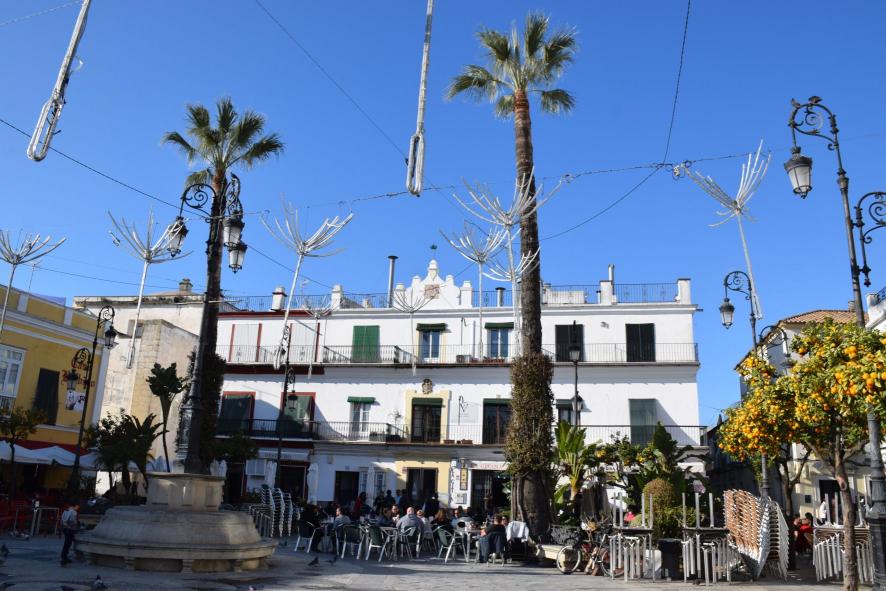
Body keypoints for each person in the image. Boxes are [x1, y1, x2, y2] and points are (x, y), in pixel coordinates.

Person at [60, 500, 79, 565]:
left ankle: (64, 556)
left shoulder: (66, 510)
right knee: (68, 543)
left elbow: (62, 519)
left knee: (67, 543)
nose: (78, 508)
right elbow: (72, 521)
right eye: (78, 506)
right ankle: (64, 558)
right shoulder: (73, 512)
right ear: (75, 506)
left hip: (65, 528)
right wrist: (75, 526)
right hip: (70, 529)